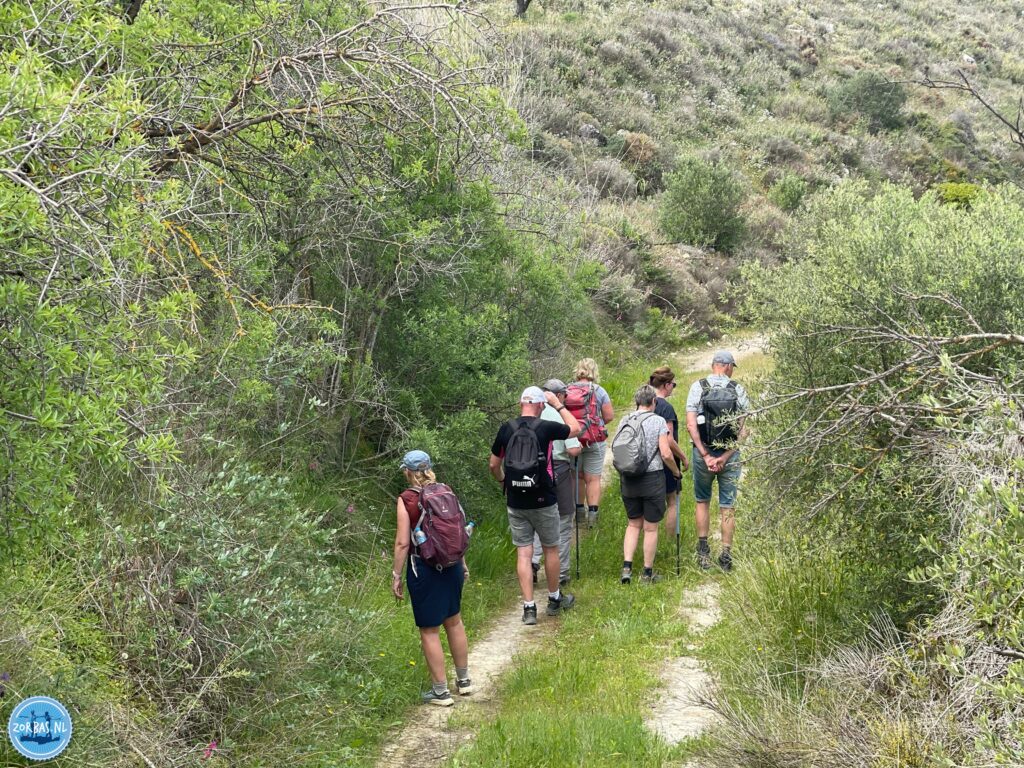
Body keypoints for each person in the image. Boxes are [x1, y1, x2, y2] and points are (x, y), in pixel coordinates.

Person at [490, 387, 583, 625]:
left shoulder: (506, 428)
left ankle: (529, 608)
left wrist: (504, 482)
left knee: (524, 551)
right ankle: (554, 600)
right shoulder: (545, 427)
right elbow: (576, 428)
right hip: (543, 498)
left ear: (521, 403)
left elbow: (493, 465)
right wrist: (558, 405)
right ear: (541, 405)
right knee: (551, 548)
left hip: (516, 500)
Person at [390, 450, 472, 706]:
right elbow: (456, 532)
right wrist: (463, 564)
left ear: (408, 472)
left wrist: (395, 575)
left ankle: (440, 691)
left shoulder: (407, 499)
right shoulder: (446, 491)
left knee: (429, 630)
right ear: (429, 469)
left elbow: (403, 543)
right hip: (453, 565)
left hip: (424, 567)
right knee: (455, 622)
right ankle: (464, 681)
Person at [685, 351, 751, 571]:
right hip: (729, 457)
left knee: (702, 500)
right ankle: (725, 555)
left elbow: (691, 425)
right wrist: (725, 456)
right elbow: (743, 431)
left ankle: (703, 552)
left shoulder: (698, 387)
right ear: (729, 366)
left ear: (714, 365)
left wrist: (705, 455)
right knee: (727, 505)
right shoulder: (738, 389)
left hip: (702, 454)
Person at [617, 384, 680, 584]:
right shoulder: (658, 421)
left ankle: (627, 569)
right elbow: (666, 453)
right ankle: (647, 572)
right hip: (652, 478)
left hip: (628, 478)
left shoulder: (625, 419)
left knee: (633, 524)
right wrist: (676, 472)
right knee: (651, 528)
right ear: (653, 402)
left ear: (637, 402)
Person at [530, 379, 583, 587]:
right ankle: (561, 573)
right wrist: (579, 449)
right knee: (563, 519)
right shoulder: (559, 416)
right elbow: (572, 449)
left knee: (535, 519)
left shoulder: (531, 414)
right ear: (559, 396)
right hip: (558, 470)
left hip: (531, 474)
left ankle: (533, 562)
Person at [568, 358, 614, 528]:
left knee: (577, 476)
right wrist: (594, 426)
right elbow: (609, 416)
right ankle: (593, 518)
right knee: (593, 478)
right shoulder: (599, 390)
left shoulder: (567, 390)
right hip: (595, 440)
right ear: (594, 371)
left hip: (573, 440)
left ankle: (579, 514)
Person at [648, 366, 689, 537]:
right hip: (666, 460)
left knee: (650, 504)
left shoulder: (645, 403)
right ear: (666, 385)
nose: (673, 387)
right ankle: (670, 539)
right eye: (673, 384)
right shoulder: (665, 408)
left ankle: (651, 536)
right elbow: (669, 439)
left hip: (648, 460)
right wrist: (684, 457)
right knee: (671, 501)